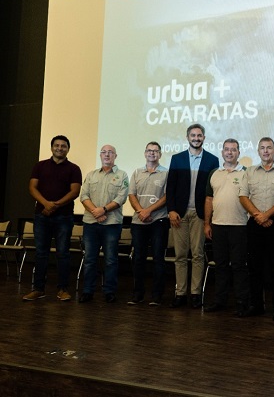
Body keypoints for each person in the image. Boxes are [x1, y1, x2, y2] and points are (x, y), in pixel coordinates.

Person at [23, 135, 82, 302]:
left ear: (68, 149)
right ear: (51, 148)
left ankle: (63, 289)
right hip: (42, 216)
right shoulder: (40, 166)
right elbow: (32, 187)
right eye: (57, 145)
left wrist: (54, 205)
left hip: (64, 217)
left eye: (63, 146)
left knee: (63, 254)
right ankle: (38, 289)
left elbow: (75, 192)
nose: (60, 148)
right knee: (41, 253)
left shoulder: (74, 169)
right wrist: (45, 204)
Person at [166, 124, 219, 309]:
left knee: (197, 255)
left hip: (199, 214)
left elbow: (212, 193)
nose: (196, 138)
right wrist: (171, 210)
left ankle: (195, 294)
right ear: (187, 137)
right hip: (178, 214)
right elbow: (170, 187)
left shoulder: (212, 160)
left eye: (199, 135)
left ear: (204, 137)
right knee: (180, 255)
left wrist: (208, 217)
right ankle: (180, 293)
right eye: (193, 135)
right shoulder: (177, 158)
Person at [239, 137, 274, 321]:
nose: (266, 151)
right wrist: (258, 216)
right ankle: (256, 305)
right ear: (258, 151)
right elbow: (243, 196)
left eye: (269, 148)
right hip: (254, 223)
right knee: (254, 267)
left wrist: (267, 215)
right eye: (262, 148)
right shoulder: (250, 171)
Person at [203, 139, 252, 316]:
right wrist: (207, 223)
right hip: (217, 226)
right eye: (226, 150)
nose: (230, 152)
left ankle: (241, 303)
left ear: (239, 152)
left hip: (239, 226)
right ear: (222, 152)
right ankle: (220, 301)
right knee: (221, 265)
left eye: (233, 150)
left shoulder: (247, 173)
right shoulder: (214, 173)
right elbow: (209, 199)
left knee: (239, 266)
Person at [79, 145, 129, 303]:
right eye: (104, 152)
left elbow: (121, 198)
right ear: (100, 155)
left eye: (110, 153)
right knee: (89, 259)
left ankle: (109, 291)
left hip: (112, 224)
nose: (107, 155)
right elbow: (83, 196)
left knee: (110, 260)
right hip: (90, 223)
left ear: (115, 156)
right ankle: (87, 291)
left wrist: (104, 210)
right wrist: (96, 211)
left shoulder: (122, 175)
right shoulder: (91, 175)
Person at [127, 142, 169, 306]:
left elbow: (166, 196)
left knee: (158, 258)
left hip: (158, 221)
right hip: (138, 222)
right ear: (145, 153)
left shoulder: (166, 173)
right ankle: (138, 294)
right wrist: (141, 212)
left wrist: (149, 211)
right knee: (138, 258)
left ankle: (157, 296)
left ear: (160, 154)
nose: (152, 153)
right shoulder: (137, 172)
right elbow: (132, 195)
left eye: (155, 151)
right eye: (149, 150)